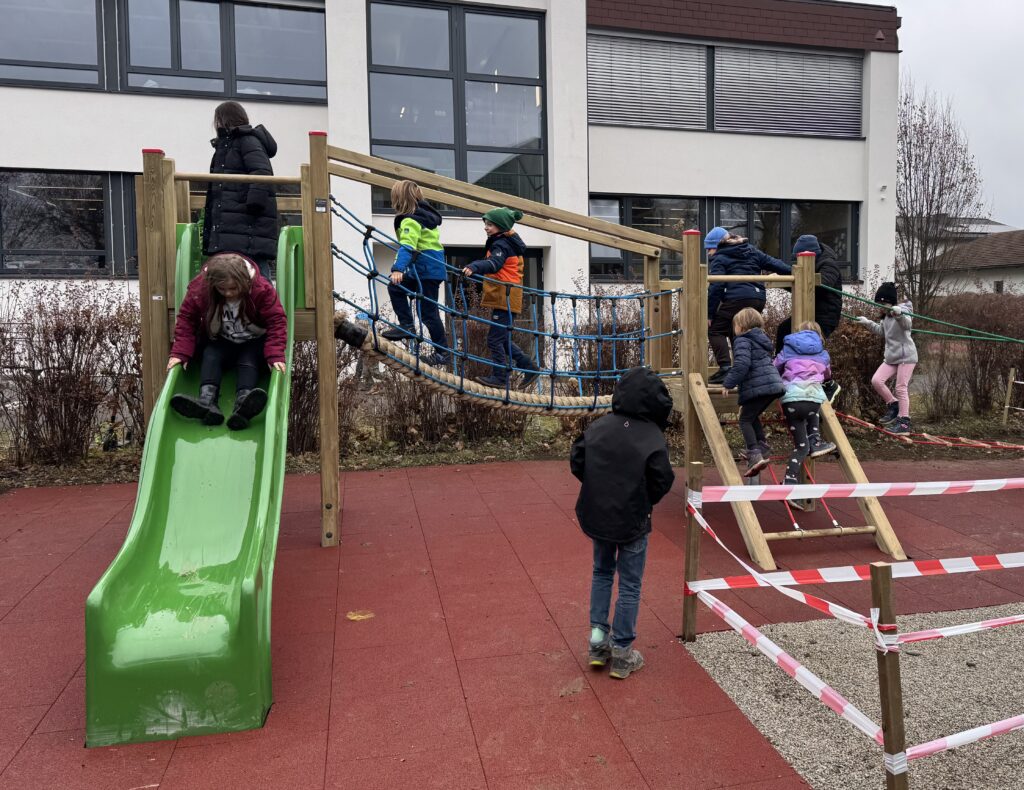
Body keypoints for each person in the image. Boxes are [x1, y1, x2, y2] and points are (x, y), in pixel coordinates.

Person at [570, 367, 674, 679]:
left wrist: (597, 487)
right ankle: (623, 652)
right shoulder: (653, 437)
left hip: (599, 516)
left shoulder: (598, 428)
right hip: (632, 520)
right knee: (630, 583)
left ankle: (598, 643)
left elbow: (578, 460)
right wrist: (644, 500)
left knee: (602, 572)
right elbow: (662, 478)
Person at [168, 253, 287, 430]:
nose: (228, 293)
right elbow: (187, 319)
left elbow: (277, 320)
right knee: (211, 354)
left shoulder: (261, 290)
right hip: (221, 339)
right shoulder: (201, 289)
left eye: (233, 288)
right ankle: (207, 402)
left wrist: (275, 354)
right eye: (222, 290)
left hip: (253, 341)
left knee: (248, 359)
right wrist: (179, 352)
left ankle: (243, 405)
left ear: (245, 281)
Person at [461, 208, 540, 389]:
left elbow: (495, 264)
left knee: (494, 340)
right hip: (507, 296)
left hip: (505, 296)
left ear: (501, 226)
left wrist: (474, 266)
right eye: (485, 225)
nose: (486, 228)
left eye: (490, 225)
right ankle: (528, 366)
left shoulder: (501, 245)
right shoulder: (507, 241)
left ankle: (500, 377)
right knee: (502, 338)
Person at [704, 227, 792, 385]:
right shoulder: (751, 251)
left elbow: (716, 286)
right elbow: (774, 263)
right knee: (738, 330)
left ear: (718, 245)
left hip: (737, 299)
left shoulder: (720, 257)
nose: (709, 253)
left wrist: (709, 314)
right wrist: (795, 271)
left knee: (715, 329)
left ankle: (725, 368)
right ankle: (741, 368)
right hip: (758, 298)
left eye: (709, 248)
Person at [203, 101, 279, 281]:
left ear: (221, 120)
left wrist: (252, 205)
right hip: (235, 221)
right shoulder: (227, 145)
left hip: (245, 220)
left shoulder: (247, 140)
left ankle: (263, 307)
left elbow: (261, 171)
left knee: (255, 270)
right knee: (237, 271)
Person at [379, 180, 451, 367]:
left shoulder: (411, 220)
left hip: (425, 270)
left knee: (428, 313)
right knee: (398, 290)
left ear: (398, 199)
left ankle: (442, 352)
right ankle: (408, 326)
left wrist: (397, 269)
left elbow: (408, 246)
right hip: (428, 269)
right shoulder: (425, 217)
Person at [774, 236, 844, 405]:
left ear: (811, 255)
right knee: (784, 330)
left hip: (825, 315)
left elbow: (816, 288)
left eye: (800, 256)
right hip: (810, 312)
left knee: (811, 346)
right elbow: (805, 287)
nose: (798, 260)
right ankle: (782, 370)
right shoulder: (815, 264)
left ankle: (828, 383)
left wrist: (786, 281)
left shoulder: (829, 265)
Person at [773, 321, 838, 502]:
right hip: (813, 402)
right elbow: (827, 375)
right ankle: (815, 439)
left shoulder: (787, 350)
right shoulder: (823, 354)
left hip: (791, 401)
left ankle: (790, 481)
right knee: (813, 410)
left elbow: (775, 367)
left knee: (801, 446)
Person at [721, 308, 785, 476]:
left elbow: (742, 365)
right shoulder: (762, 339)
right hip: (773, 385)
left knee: (745, 420)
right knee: (752, 415)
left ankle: (754, 453)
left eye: (734, 325)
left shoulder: (742, 340)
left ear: (741, 326)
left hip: (760, 386)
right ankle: (762, 446)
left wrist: (728, 383)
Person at [856, 282, 917, 435]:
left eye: (883, 303)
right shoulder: (885, 317)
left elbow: (907, 325)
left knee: (900, 388)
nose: (881, 306)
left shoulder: (902, 311)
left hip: (906, 356)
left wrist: (899, 315)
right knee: (876, 380)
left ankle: (904, 422)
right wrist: (868, 323)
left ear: (891, 302)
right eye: (879, 304)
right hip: (892, 357)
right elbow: (882, 331)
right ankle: (893, 405)